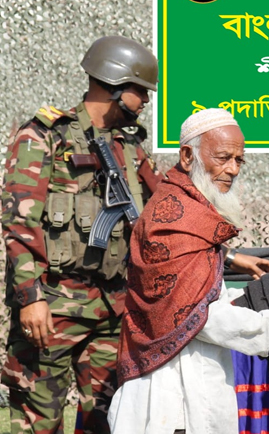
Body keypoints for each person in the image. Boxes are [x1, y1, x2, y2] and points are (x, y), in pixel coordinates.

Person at [107, 108, 269, 434]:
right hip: (172, 400)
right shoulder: (174, 221)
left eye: (239, 160)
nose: (233, 169)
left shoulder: (189, 210)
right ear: (187, 156)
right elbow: (195, 315)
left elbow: (201, 294)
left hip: (191, 386)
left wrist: (260, 297)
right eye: (223, 158)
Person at [0, 35, 163, 434]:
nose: (146, 100)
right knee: (37, 421)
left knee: (109, 420)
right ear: (116, 85)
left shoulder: (130, 147)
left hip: (113, 308)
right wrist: (30, 299)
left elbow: (162, 214)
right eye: (141, 90)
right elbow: (19, 224)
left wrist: (228, 255)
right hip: (53, 304)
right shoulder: (45, 136)